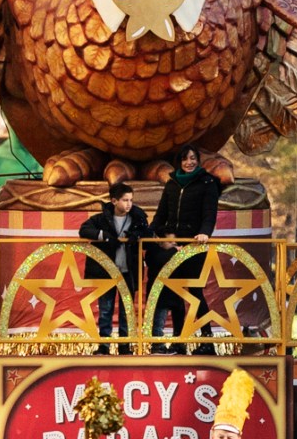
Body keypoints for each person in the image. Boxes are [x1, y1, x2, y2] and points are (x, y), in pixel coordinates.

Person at [149, 146, 223, 345]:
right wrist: (154, 233)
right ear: (179, 162)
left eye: (192, 158)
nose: (189, 162)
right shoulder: (172, 183)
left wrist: (204, 233)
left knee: (194, 290)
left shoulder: (207, 182)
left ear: (198, 160)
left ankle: (207, 339)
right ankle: (178, 340)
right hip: (173, 243)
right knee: (173, 291)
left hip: (194, 243)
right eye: (185, 159)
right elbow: (161, 213)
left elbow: (210, 213)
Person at [79, 181, 153, 347]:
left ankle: (124, 345)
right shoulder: (101, 219)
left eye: (131, 200)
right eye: (125, 200)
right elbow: (84, 230)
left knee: (126, 311)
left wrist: (138, 235)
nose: (129, 204)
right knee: (105, 309)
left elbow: (148, 234)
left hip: (128, 271)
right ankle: (104, 346)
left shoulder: (137, 218)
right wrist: (103, 235)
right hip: (107, 272)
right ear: (114, 201)